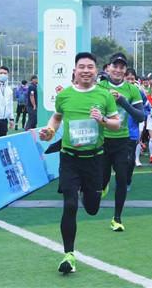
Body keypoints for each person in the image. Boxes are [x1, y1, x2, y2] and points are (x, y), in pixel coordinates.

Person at [39, 52, 120, 274]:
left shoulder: (104, 95)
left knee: (92, 208)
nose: (86, 70)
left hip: (94, 159)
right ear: (74, 70)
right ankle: (69, 255)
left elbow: (116, 123)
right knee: (70, 204)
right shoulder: (64, 95)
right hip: (69, 158)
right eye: (81, 67)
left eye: (90, 67)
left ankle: (92, 191)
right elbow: (57, 117)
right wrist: (50, 130)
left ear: (96, 71)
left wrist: (102, 119)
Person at [98, 53, 145, 232]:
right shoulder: (100, 86)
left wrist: (123, 102)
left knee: (122, 178)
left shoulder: (132, 89)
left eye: (121, 67)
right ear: (108, 68)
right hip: (102, 140)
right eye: (115, 66)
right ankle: (102, 185)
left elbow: (140, 116)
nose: (118, 70)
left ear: (125, 70)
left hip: (123, 141)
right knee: (102, 178)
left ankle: (117, 218)